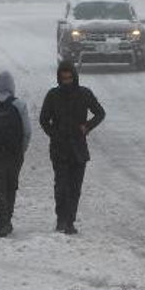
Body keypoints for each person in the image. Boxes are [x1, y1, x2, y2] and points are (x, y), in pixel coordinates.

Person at [40, 61, 105, 235]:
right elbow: (44, 120)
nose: (67, 81)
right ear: (59, 78)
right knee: (61, 186)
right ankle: (61, 218)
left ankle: (70, 221)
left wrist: (87, 126)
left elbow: (100, 113)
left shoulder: (84, 94)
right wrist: (55, 134)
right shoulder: (53, 96)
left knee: (75, 187)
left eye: (69, 78)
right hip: (59, 148)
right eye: (64, 78)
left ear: (74, 77)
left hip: (78, 148)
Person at [0, 71, 32, 238]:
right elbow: (27, 131)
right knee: (11, 185)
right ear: (12, 86)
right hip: (14, 152)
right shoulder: (19, 104)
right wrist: (22, 149)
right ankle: (7, 218)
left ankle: (4, 221)